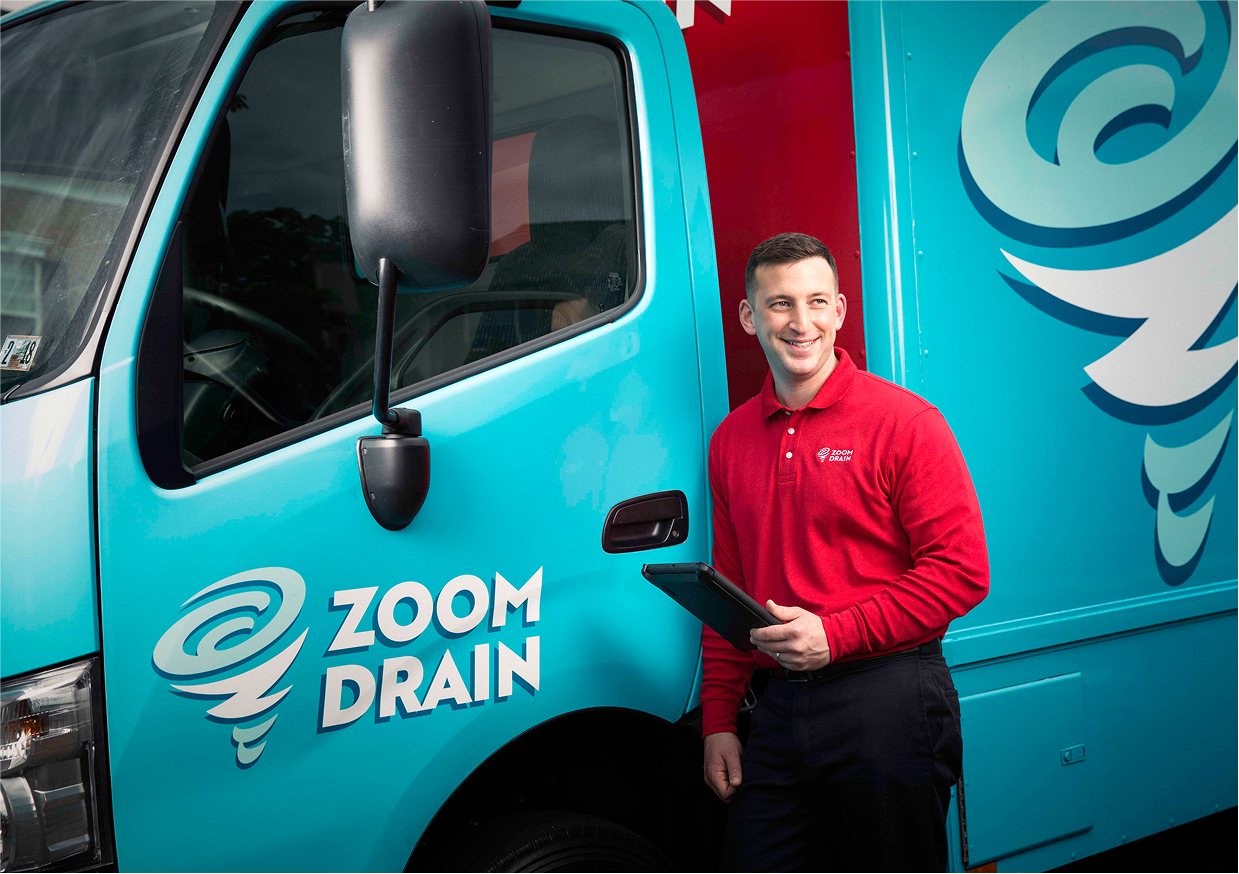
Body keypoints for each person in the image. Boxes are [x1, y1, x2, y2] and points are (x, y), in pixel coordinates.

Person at [701, 232, 989, 872]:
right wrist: (719, 720)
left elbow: (962, 573)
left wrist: (836, 635)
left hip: (888, 698)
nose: (800, 323)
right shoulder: (731, 439)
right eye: (779, 305)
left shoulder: (906, 423)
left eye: (815, 302)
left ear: (840, 310)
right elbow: (730, 590)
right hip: (778, 709)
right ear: (750, 317)